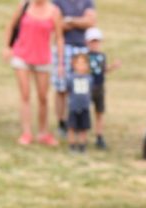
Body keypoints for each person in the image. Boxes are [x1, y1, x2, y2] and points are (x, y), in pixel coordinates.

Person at [4, 0, 64, 146]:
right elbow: (11, 26)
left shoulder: (54, 11)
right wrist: (7, 47)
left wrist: (61, 63)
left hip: (43, 58)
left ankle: (43, 132)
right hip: (22, 55)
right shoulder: (24, 6)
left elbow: (59, 37)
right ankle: (27, 133)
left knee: (43, 97)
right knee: (25, 95)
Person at [51, 0, 97, 139]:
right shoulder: (58, 1)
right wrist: (79, 22)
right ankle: (62, 122)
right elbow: (57, 25)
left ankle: (78, 122)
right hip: (63, 47)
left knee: (81, 88)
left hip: (82, 48)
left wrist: (69, 20)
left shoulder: (87, 1)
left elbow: (90, 21)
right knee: (61, 87)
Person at [84, 27, 119, 150]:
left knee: (100, 112)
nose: (95, 44)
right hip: (87, 87)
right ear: (87, 42)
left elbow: (103, 70)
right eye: (92, 41)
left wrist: (112, 67)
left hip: (99, 87)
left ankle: (99, 136)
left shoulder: (102, 56)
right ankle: (83, 136)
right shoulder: (84, 56)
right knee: (84, 111)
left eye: (97, 41)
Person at [66, 52, 93, 153]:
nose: (81, 66)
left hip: (85, 107)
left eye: (83, 63)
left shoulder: (89, 79)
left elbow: (90, 91)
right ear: (74, 65)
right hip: (73, 107)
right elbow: (68, 90)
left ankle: (82, 146)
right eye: (78, 63)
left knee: (83, 128)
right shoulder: (70, 78)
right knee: (72, 127)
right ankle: (72, 146)